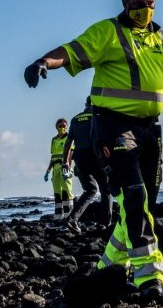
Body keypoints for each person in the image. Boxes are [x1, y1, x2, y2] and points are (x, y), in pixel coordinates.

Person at [23, 0, 163, 300]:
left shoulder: (162, 39)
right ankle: (148, 276)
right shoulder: (108, 32)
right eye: (139, 5)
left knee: (142, 205)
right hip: (114, 125)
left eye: (150, 5)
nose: (145, 10)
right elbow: (71, 51)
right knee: (134, 195)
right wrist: (43, 62)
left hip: (149, 128)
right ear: (125, 3)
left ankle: (108, 266)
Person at [64, 97, 112, 232]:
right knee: (106, 189)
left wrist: (65, 162)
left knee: (90, 190)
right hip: (95, 156)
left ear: (85, 105)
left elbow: (68, 143)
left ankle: (72, 219)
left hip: (79, 157)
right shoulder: (98, 117)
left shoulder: (75, 119)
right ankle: (104, 223)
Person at [45, 118, 75, 222]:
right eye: (60, 126)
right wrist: (48, 171)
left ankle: (69, 217)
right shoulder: (54, 140)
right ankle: (58, 216)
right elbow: (53, 156)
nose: (62, 128)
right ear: (56, 127)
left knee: (66, 191)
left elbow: (70, 154)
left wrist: (68, 168)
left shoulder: (69, 138)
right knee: (57, 193)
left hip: (65, 167)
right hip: (55, 168)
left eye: (64, 126)